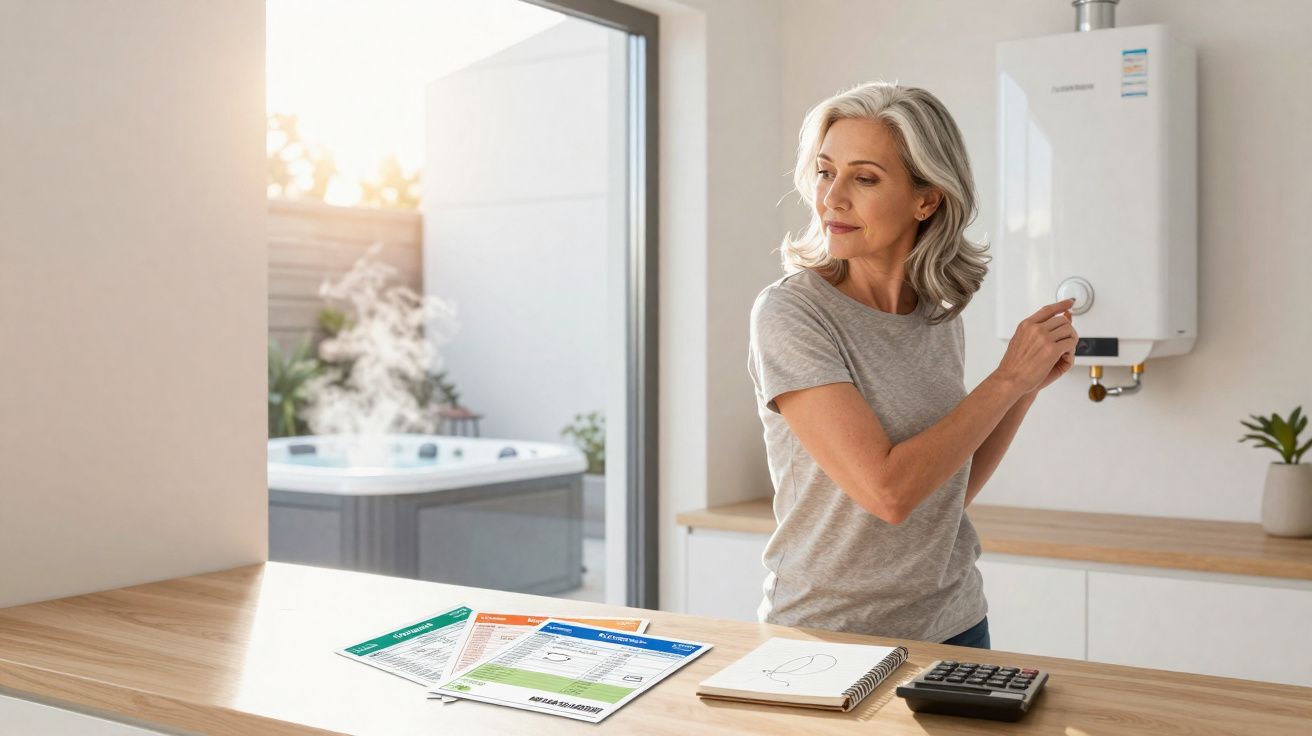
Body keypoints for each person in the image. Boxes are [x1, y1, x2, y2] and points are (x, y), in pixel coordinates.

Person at [747, 81, 1077, 649]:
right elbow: (889, 493)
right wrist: (1006, 379)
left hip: (954, 621)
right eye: (825, 172)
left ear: (927, 200)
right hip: (828, 635)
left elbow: (944, 490)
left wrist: (1024, 388)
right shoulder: (791, 313)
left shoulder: (936, 313)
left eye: (865, 178)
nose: (832, 198)